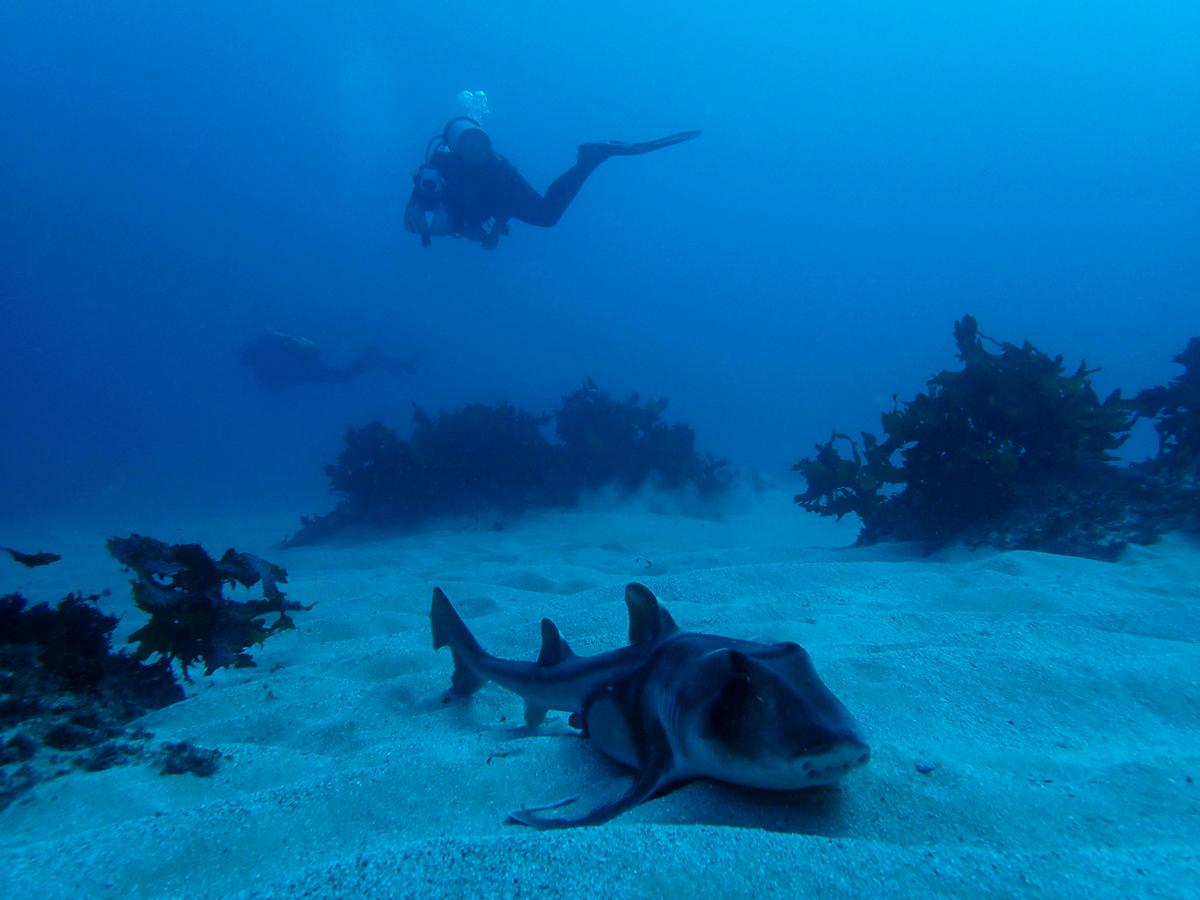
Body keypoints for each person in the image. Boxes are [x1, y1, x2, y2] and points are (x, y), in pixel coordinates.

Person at [405, 117, 700, 250]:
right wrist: (493, 229)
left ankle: (590, 159)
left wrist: (484, 232)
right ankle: (590, 159)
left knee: (547, 217)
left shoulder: (442, 170)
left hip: (495, 180)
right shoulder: (445, 169)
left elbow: (445, 214)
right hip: (498, 177)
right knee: (547, 214)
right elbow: (493, 203)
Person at [238, 330, 416, 392]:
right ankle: (380, 361)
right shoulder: (265, 356)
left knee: (343, 375)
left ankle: (373, 359)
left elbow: (276, 386)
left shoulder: (263, 361)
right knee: (343, 375)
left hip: (309, 369)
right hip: (309, 367)